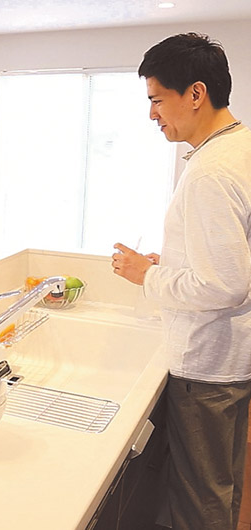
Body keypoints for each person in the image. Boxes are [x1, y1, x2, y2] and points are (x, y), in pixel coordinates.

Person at [111, 33, 251, 530]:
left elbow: (225, 286)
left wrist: (147, 275)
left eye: (156, 100)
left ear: (195, 93)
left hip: (207, 365)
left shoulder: (211, 171)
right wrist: (170, 263)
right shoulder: (240, 148)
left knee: (200, 499)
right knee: (222, 486)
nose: (152, 114)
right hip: (233, 356)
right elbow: (231, 257)